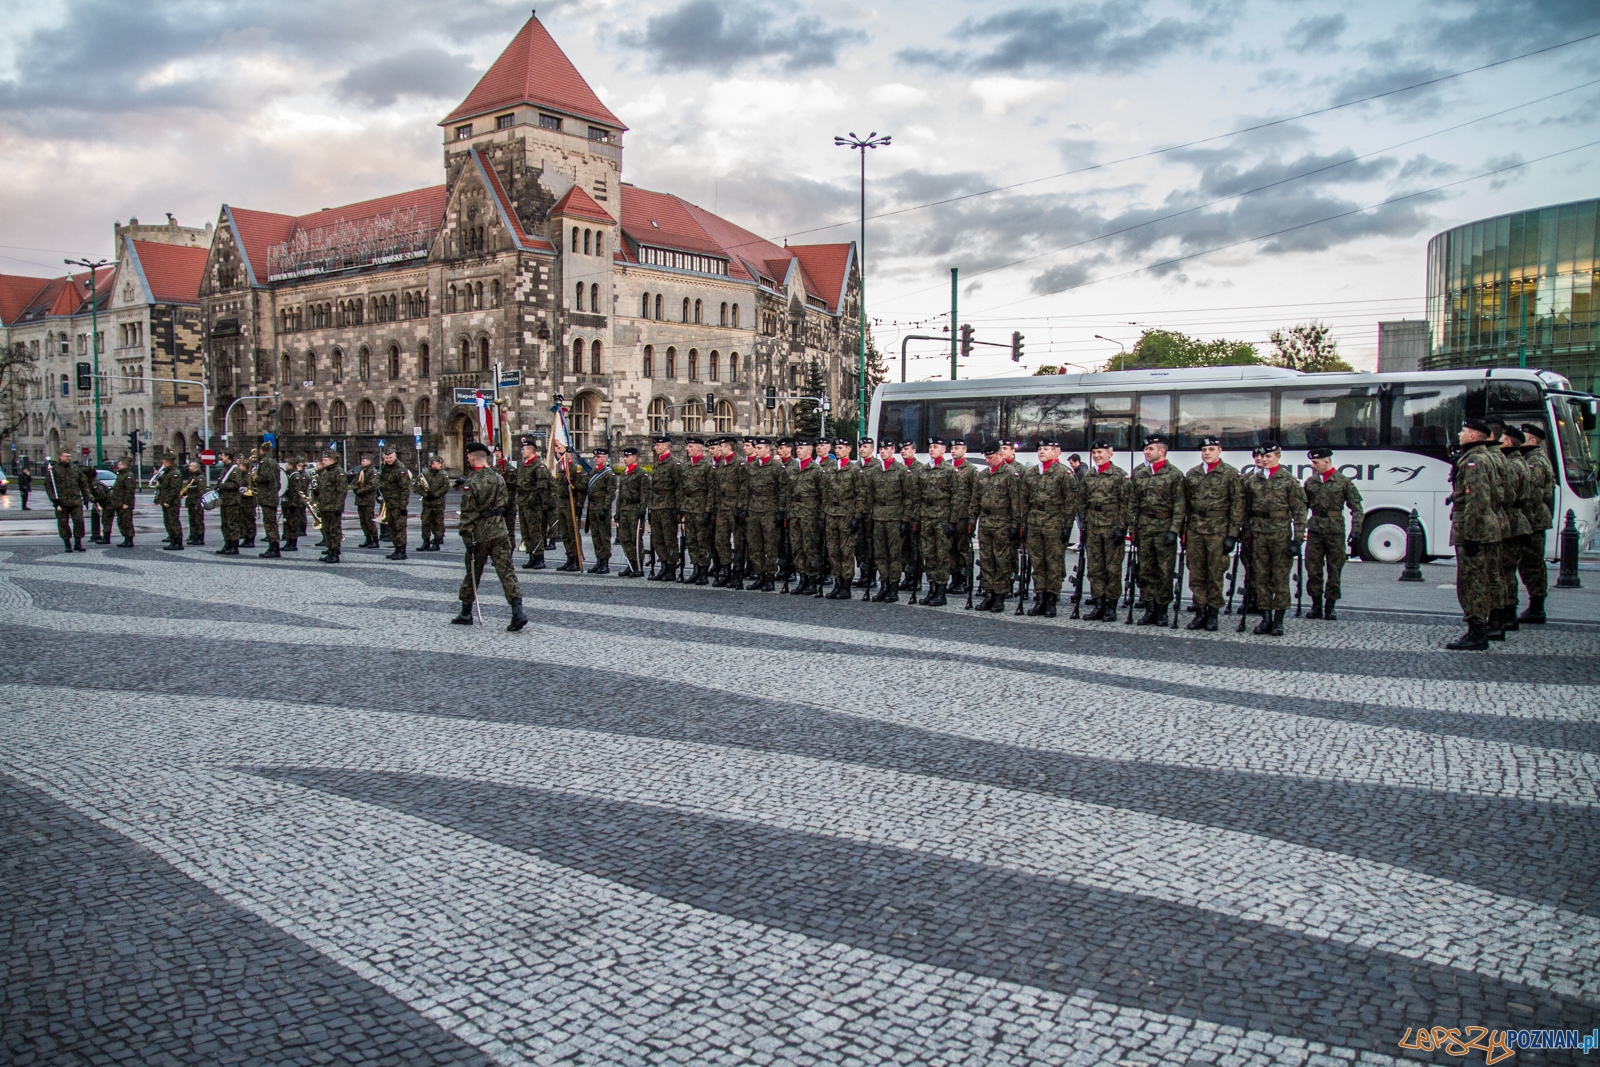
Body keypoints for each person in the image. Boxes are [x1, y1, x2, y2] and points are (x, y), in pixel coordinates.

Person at [451, 441, 527, 631]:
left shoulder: (472, 483)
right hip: (500, 530)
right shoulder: (498, 478)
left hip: (480, 533)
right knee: (506, 571)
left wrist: (467, 537)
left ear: (471, 457)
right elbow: (505, 503)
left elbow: (468, 514)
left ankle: (466, 611)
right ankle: (517, 610)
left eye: (468, 456)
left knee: (473, 572)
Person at [1445, 418, 1504, 650]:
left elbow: (1477, 499)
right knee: (1483, 578)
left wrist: (1470, 534)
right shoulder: (1484, 457)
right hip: (1485, 527)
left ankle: (1477, 632)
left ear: (1472, 436)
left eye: (1463, 430)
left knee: (1471, 582)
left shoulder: (1474, 461)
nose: (1459, 433)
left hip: (1474, 530)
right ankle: (1486, 626)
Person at [1241, 442, 1306, 636]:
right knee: (1260, 577)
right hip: (1259, 533)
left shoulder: (1289, 481)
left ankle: (1278, 620)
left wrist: (1298, 538)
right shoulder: (1253, 481)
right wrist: (1244, 533)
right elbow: (1246, 510)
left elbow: (1299, 511)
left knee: (1279, 577)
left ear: (1278, 457)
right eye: (1263, 457)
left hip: (1280, 534)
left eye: (1269, 456)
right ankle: (1265, 617)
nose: (1265, 460)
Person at [1181, 436, 1244, 631]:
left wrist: (1232, 534)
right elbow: (1186, 505)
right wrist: (1184, 532)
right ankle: (1200, 611)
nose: (1207, 452)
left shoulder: (1230, 474)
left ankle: (1213, 613)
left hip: (1218, 530)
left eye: (1211, 449)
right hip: (1196, 530)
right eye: (1204, 449)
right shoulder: (1193, 474)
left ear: (1219, 450)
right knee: (1197, 573)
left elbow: (1237, 506)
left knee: (1215, 573)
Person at [1128, 433, 1186, 626]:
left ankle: (1162, 610)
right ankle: (1149, 608)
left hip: (1164, 527)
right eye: (1145, 449)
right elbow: (1134, 502)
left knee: (1164, 570)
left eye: (1150, 449)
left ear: (1162, 451)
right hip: (1145, 527)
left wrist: (1174, 530)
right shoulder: (1140, 473)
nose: (1146, 451)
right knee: (1145, 570)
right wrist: (1132, 527)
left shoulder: (1174, 474)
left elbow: (1180, 505)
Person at [1301, 446, 1363, 620]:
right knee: (1313, 569)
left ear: (1326, 461)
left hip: (1335, 531)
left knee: (1334, 569)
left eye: (1315, 462)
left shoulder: (1343, 482)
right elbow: (1303, 507)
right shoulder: (1310, 482)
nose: (1312, 466)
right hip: (1315, 529)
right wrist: (1298, 529)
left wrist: (1356, 531)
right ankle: (1316, 606)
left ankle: (1330, 606)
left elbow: (1357, 508)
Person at [1021, 438, 1074, 617]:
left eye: (1046, 449)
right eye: (1040, 449)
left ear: (1054, 452)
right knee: (1037, 562)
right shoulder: (1031, 473)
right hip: (1034, 522)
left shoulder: (1063, 473)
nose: (1042, 452)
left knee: (1053, 563)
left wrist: (1067, 526)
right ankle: (1040, 598)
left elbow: (1070, 501)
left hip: (1054, 522)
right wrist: (1024, 524)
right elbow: (1025, 500)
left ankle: (1051, 599)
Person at [1078, 439, 1129, 620]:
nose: (1097, 456)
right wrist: (1083, 524)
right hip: (1093, 526)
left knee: (1112, 568)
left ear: (1110, 453)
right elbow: (1082, 501)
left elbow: (1125, 503)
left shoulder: (1119, 475)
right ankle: (1098, 603)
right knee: (1095, 568)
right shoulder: (1088, 476)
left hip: (1111, 527)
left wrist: (1122, 528)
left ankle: (1111, 606)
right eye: (1094, 453)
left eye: (1101, 452)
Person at [972, 440, 1022, 612]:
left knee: (1001, 560)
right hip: (985, 522)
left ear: (1000, 455)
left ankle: (999, 595)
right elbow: (975, 500)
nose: (987, 460)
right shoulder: (983, 474)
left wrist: (1015, 525)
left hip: (1002, 522)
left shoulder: (1010, 474)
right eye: (986, 457)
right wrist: (972, 521)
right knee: (986, 560)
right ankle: (988, 593)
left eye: (991, 457)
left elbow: (1016, 502)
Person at [862, 437, 911, 602]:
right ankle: (884, 584)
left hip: (895, 517)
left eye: (886, 449)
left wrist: (906, 520)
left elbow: (908, 497)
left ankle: (893, 587)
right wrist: (869, 517)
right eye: (881, 449)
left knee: (894, 553)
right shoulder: (875, 471)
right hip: (878, 516)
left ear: (893, 451)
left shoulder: (901, 470)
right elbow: (870, 496)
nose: (883, 451)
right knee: (880, 553)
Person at [1515, 422, 1555, 624]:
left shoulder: (1535, 462)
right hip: (1531, 520)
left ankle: (1537, 607)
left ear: (1532, 440)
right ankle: (1535, 605)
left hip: (1533, 521)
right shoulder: (1529, 458)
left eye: (1523, 435)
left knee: (1532, 564)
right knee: (1528, 563)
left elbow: (1531, 494)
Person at [1494, 424, 1532, 633]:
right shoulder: (1520, 461)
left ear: (1508, 442)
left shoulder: (1511, 465)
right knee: (1508, 570)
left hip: (1510, 521)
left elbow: (1507, 496)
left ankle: (1507, 614)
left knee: (1504, 571)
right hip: (1517, 521)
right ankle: (1509, 614)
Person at [913, 437, 959, 607]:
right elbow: (917, 495)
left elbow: (956, 497)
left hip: (942, 517)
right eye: (930, 446)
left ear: (943, 450)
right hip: (926, 516)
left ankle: (941, 590)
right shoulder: (924, 470)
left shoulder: (949, 470)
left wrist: (953, 521)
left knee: (942, 554)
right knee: (928, 553)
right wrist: (916, 518)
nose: (932, 449)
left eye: (936, 447)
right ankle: (932, 587)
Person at [741, 437, 785, 590]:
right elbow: (747, 490)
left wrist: (781, 511)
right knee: (754, 545)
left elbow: (782, 491)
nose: (757, 450)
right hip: (754, 510)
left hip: (770, 511)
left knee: (770, 545)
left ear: (768, 449)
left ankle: (770, 576)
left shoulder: (776, 467)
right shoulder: (752, 466)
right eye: (756, 448)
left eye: (759, 448)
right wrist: (744, 508)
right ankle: (759, 574)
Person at [822, 438, 861, 599]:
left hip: (847, 514)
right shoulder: (831, 470)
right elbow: (825, 493)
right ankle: (837, 582)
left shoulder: (853, 470)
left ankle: (846, 585)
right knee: (833, 550)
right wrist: (824, 513)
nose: (837, 451)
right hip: (832, 514)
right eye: (836, 448)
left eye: (841, 448)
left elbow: (861, 495)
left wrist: (857, 516)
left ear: (849, 449)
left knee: (846, 551)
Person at [787, 440, 827, 595]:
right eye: (797, 448)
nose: (798, 450)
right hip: (795, 513)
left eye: (801, 448)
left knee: (810, 547)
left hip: (810, 514)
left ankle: (812, 578)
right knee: (797, 546)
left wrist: (821, 517)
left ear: (809, 451)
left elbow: (823, 494)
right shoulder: (794, 469)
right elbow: (789, 492)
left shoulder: (816, 470)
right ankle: (802, 577)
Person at [646, 435, 684, 580]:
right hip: (656, 506)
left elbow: (679, 486)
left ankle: (672, 566)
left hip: (668, 506)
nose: (655, 447)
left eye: (657, 445)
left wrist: (678, 507)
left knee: (670, 539)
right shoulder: (657, 464)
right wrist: (650, 507)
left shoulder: (674, 464)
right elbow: (652, 487)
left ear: (666, 446)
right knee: (657, 538)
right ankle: (663, 565)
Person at [681, 436, 715, 584]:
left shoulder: (707, 466)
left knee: (703, 541)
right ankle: (695, 568)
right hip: (689, 508)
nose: (687, 449)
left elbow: (711, 490)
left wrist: (708, 511)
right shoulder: (686, 466)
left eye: (690, 446)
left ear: (699, 448)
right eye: (688, 446)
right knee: (692, 541)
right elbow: (683, 488)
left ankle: (703, 570)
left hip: (701, 508)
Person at [948, 439, 979, 596]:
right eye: (952, 448)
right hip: (949, 516)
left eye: (957, 448)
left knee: (962, 549)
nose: (953, 450)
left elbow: (975, 495)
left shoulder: (971, 470)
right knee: (951, 549)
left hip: (963, 515)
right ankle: (954, 578)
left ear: (965, 450)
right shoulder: (948, 468)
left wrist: (972, 519)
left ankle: (963, 580)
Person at [514, 438, 551, 567]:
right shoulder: (523, 465)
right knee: (526, 530)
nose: (522, 451)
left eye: (523, 449)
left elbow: (542, 484)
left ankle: (539, 557)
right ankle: (531, 555)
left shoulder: (538, 465)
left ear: (530, 450)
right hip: (522, 501)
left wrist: (533, 498)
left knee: (535, 530)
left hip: (533, 503)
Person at [552, 443, 587, 571]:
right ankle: (569, 557)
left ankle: (576, 559)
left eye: (561, 453)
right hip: (561, 505)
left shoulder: (575, 469)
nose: (559, 455)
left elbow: (582, 489)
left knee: (573, 533)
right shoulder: (560, 469)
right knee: (565, 534)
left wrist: (579, 506)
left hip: (571, 504)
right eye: (557, 453)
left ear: (570, 455)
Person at [615, 447, 649, 577]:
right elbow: (620, 496)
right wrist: (617, 511)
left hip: (635, 509)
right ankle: (630, 564)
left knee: (635, 539)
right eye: (624, 457)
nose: (625, 459)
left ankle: (638, 566)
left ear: (635, 457)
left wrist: (642, 510)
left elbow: (644, 494)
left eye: (628, 456)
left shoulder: (641, 474)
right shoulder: (624, 474)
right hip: (624, 509)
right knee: (625, 538)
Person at [44, 450, 86, 552]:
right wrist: (53, 498)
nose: (68, 458)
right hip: (61, 502)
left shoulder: (76, 469)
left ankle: (78, 542)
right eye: (66, 456)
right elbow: (48, 485)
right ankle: (67, 543)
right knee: (63, 523)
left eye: (69, 456)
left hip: (75, 501)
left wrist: (86, 498)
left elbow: (83, 484)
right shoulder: (54, 470)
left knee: (79, 521)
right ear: (60, 457)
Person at [311, 450, 348, 563]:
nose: (323, 462)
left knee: (334, 530)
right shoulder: (325, 472)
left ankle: (335, 552)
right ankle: (330, 550)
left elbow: (342, 491)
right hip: (324, 506)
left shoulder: (338, 472)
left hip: (333, 507)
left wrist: (338, 506)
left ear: (332, 460)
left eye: (325, 460)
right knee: (326, 530)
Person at [585, 447, 617, 573]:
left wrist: (605, 508)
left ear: (605, 458)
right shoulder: (593, 472)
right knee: (595, 536)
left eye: (598, 457)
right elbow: (584, 484)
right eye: (595, 457)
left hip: (602, 508)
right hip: (592, 508)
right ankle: (598, 560)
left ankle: (605, 562)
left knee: (604, 536)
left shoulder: (609, 473)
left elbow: (611, 493)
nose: (595, 459)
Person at [377, 446, 412, 560]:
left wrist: (403, 505)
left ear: (395, 456)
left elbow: (405, 489)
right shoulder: (385, 468)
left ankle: (402, 550)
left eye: (390, 457)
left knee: (399, 527)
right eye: (386, 458)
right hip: (388, 503)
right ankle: (396, 549)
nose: (389, 459)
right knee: (391, 526)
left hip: (397, 504)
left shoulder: (401, 468)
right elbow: (381, 481)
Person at [214, 450, 248, 556]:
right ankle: (227, 543)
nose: (221, 457)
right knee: (224, 525)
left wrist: (222, 486)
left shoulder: (235, 469)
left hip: (232, 501)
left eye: (222, 455)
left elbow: (236, 484)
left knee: (232, 524)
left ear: (228, 456)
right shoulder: (225, 468)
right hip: (225, 500)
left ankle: (234, 546)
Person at [853, 438, 876, 588]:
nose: (862, 449)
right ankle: (863, 574)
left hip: (870, 512)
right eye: (861, 446)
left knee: (871, 545)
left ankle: (872, 576)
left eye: (865, 446)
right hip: (857, 512)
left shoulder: (877, 466)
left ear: (872, 449)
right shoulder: (856, 466)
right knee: (858, 544)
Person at [416, 454, 450, 552]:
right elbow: (417, 487)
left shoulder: (443, 474)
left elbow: (445, 487)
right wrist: (425, 495)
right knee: (425, 522)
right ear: (432, 464)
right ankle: (425, 541)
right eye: (438, 463)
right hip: (427, 503)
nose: (440, 465)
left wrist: (435, 495)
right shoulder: (425, 475)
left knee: (438, 523)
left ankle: (437, 541)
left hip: (438, 503)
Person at [253, 447, 282, 559]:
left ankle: (273, 547)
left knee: (269, 523)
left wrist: (256, 478)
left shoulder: (264, 461)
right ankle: (274, 546)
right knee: (272, 522)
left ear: (261, 451)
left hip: (267, 496)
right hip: (273, 495)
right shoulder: (274, 461)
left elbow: (266, 477)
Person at [154, 455, 184, 550]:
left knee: (173, 522)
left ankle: (178, 542)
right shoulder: (168, 473)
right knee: (168, 522)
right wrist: (158, 477)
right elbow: (165, 485)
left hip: (172, 502)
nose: (163, 464)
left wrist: (168, 500)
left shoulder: (175, 473)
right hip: (166, 501)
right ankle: (173, 540)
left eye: (165, 462)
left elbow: (174, 489)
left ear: (169, 462)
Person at [107, 457, 137, 548]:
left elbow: (129, 491)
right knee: (121, 521)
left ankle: (129, 539)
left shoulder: (128, 476)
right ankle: (125, 538)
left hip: (124, 504)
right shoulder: (121, 475)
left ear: (124, 465)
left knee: (126, 521)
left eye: (119, 464)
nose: (118, 466)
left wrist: (126, 503)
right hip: (118, 503)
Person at [352, 456, 380, 548]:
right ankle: (368, 539)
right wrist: (355, 489)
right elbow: (354, 482)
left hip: (368, 499)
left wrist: (360, 491)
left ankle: (375, 540)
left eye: (364, 460)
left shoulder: (372, 472)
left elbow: (372, 485)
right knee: (363, 521)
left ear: (369, 461)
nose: (362, 462)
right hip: (360, 500)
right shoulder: (361, 471)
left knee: (369, 520)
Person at [281, 460, 308, 551]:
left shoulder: (295, 476)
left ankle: (293, 543)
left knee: (293, 524)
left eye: (287, 464)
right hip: (288, 502)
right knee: (288, 523)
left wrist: (294, 503)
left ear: (291, 465)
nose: (286, 465)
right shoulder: (289, 475)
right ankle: (288, 542)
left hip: (294, 503)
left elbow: (297, 491)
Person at [183, 460, 206, 544]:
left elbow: (201, 491)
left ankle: (200, 537)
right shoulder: (192, 477)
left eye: (191, 466)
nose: (189, 467)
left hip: (196, 502)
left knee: (198, 520)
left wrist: (198, 503)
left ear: (196, 467)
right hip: (191, 501)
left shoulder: (200, 477)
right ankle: (193, 535)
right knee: (192, 520)